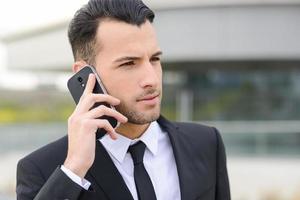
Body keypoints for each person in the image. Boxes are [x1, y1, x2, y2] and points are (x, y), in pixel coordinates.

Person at [16, 0, 231, 199]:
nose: (151, 79)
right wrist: (73, 170)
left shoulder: (206, 143)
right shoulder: (43, 169)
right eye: (129, 63)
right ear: (85, 74)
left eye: (154, 59)